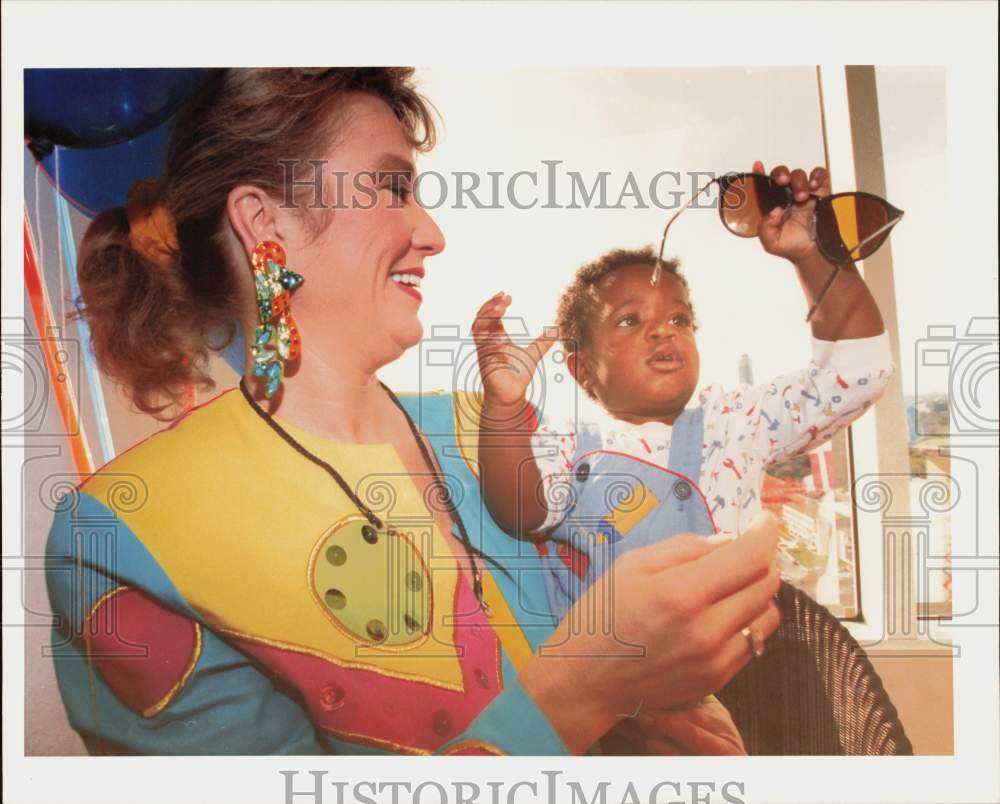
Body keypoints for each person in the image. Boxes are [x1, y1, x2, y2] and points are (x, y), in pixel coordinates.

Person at [45, 68, 779, 756]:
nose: (432, 232)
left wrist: (644, 703)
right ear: (265, 222)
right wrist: (587, 688)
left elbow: (576, 616)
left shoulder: (479, 428)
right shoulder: (119, 544)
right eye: (391, 186)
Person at [474, 161, 893, 622]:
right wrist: (505, 407)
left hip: (740, 679)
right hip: (609, 682)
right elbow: (520, 512)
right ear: (581, 369)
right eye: (630, 320)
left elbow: (860, 373)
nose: (662, 332)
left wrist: (814, 256)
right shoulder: (572, 444)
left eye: (679, 319)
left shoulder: (736, 422)